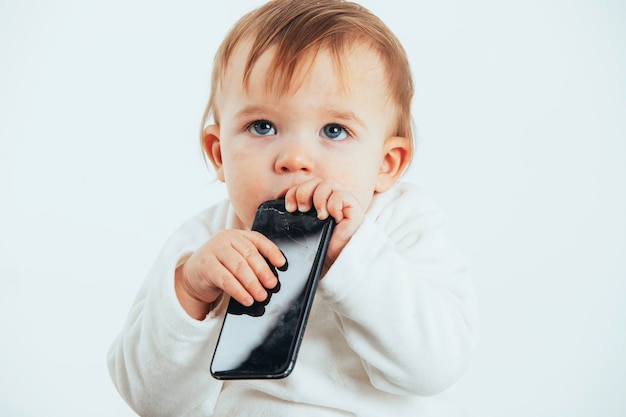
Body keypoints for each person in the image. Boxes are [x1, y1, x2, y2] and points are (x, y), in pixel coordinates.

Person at [107, 1, 479, 416]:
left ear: (385, 164)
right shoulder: (203, 243)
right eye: (262, 127)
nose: (295, 158)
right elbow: (149, 401)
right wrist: (191, 292)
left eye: (334, 130)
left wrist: (352, 253)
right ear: (218, 154)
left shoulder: (403, 225)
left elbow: (436, 367)